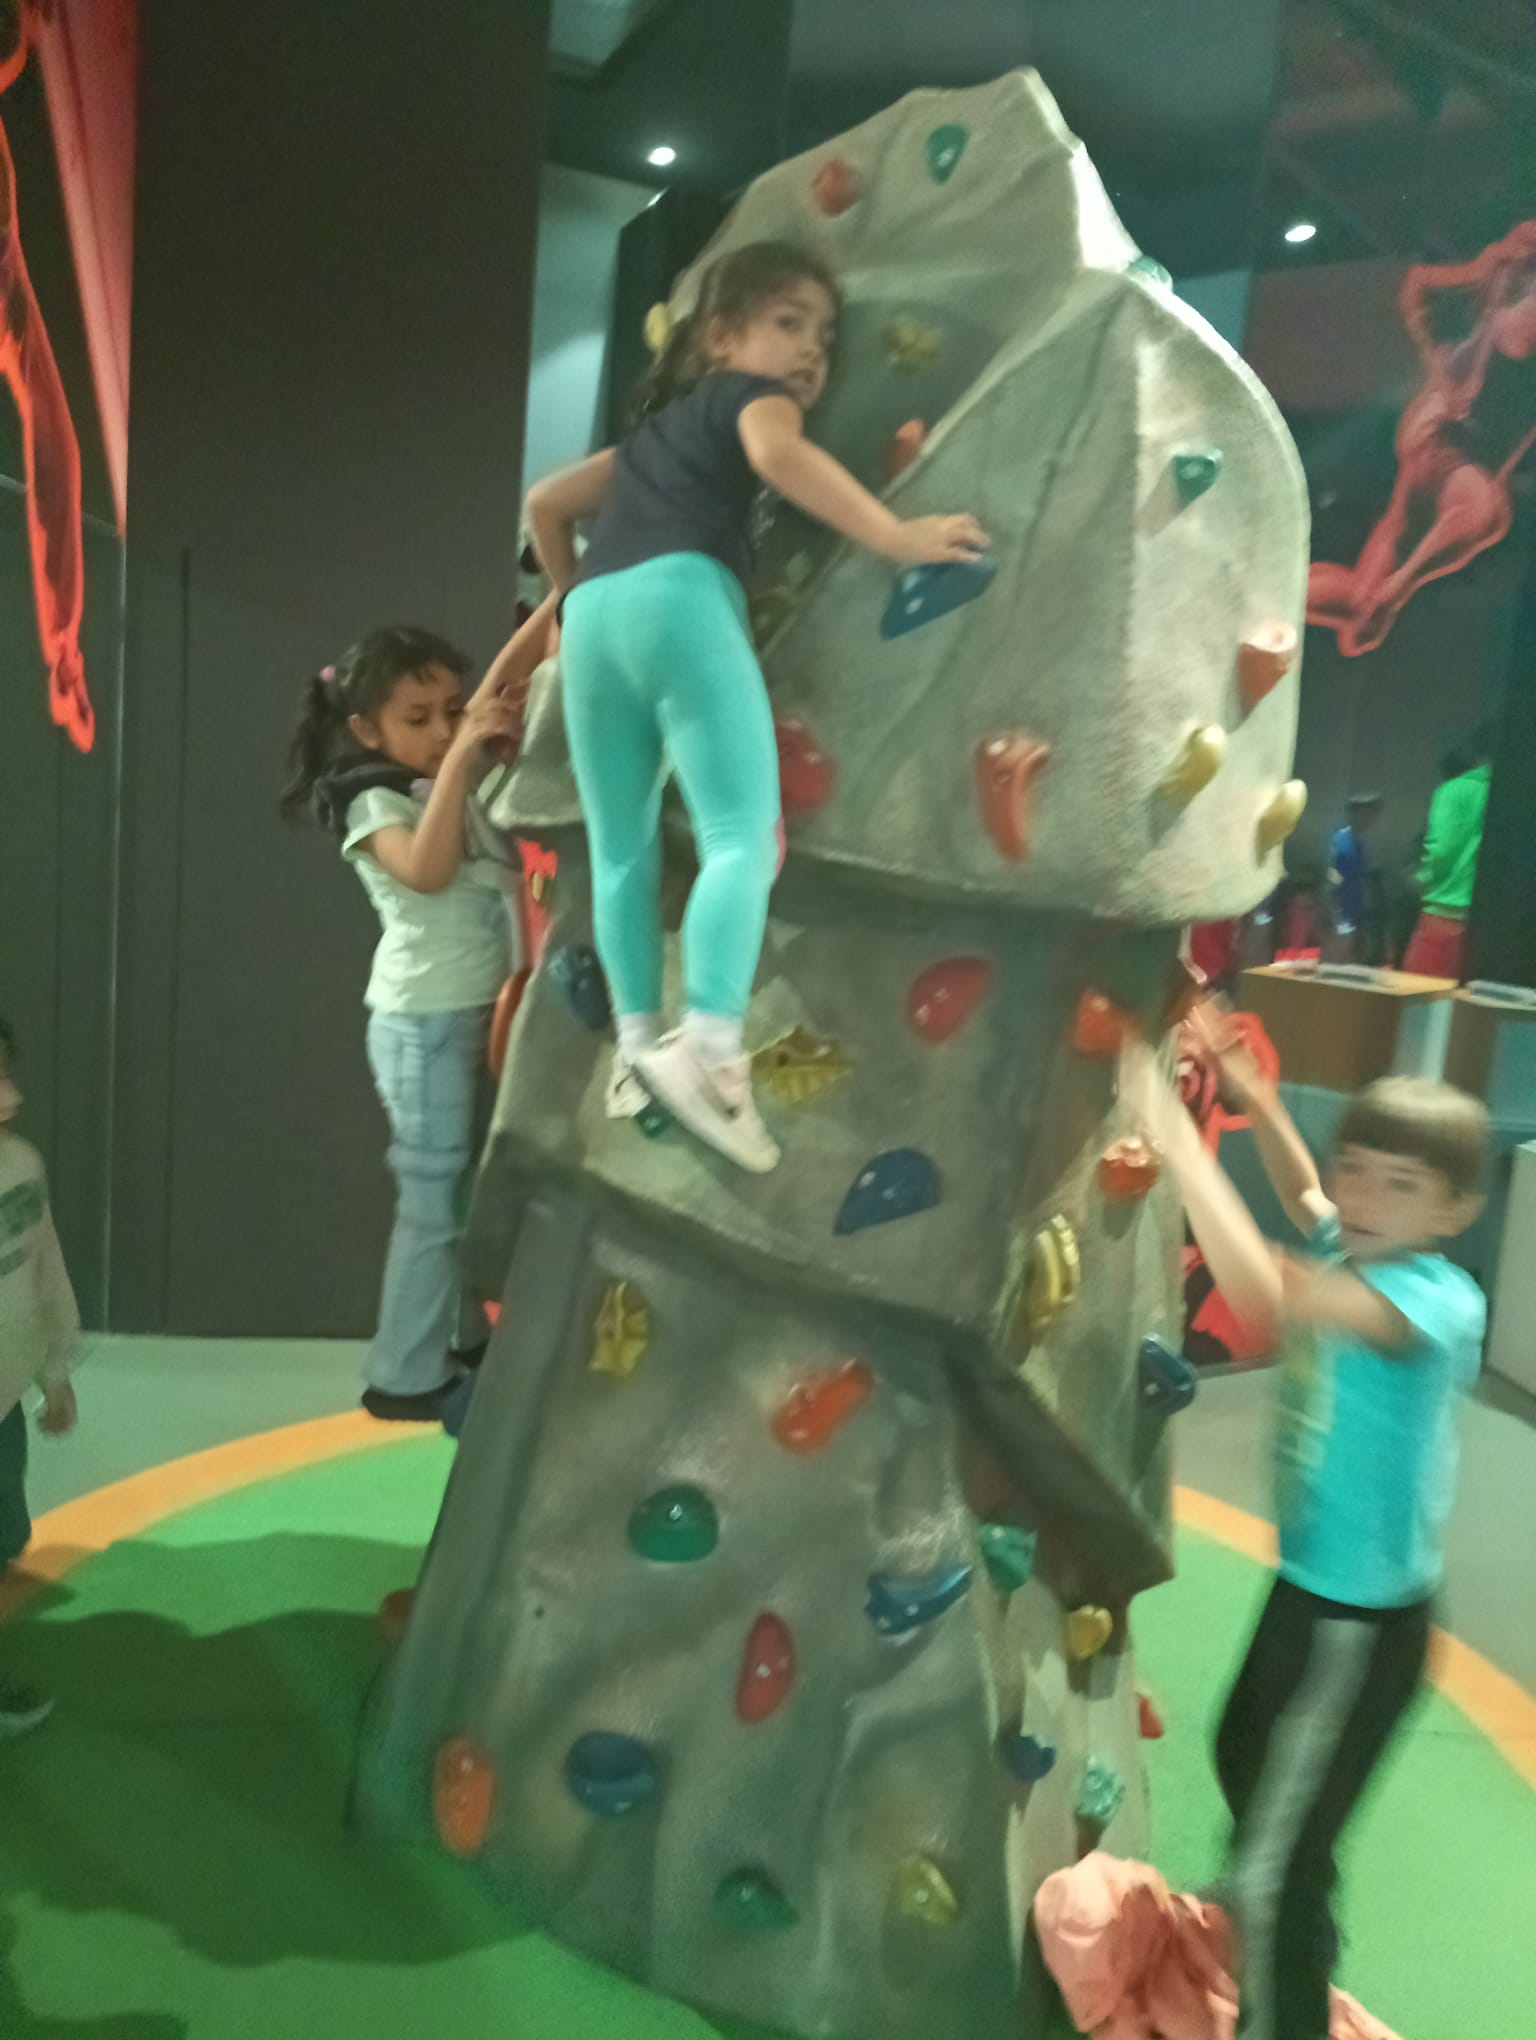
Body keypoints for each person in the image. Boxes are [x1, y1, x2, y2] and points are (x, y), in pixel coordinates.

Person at [525, 239, 989, 1173]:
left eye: (824, 335)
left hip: (599, 622)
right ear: (720, 337)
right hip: (682, 600)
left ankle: (638, 1049)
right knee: (743, 837)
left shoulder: (649, 443)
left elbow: (544, 502)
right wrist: (896, 535)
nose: (811, 350)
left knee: (621, 850)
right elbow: (780, 457)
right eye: (788, 322)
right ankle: (709, 1048)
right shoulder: (750, 398)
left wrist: (573, 600)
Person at [1123, 1005, 1487, 2040]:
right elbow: (1307, 1197)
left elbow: (1264, 1290)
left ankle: (1283, 1985)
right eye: (1357, 1170)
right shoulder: (1364, 1246)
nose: (1363, 1199)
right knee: (1242, 1751)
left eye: (1400, 1185)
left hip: (1358, 1629)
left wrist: (1169, 1122)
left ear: (1456, 1211)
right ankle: (1287, 1908)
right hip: (1308, 1590)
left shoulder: (1434, 1302)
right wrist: (1258, 1101)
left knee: (1275, 1862)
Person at [280, 615, 548, 1422]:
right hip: (424, 1024)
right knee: (432, 1204)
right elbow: (427, 873)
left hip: (473, 1012)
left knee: (463, 1193)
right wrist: (463, 756)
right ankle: (403, 1375)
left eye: (450, 711)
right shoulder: (370, 800)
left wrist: (564, 594)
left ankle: (460, 1339)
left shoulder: (437, 773)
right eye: (417, 718)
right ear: (367, 728)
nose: (440, 731)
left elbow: (504, 678)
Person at [0, 1013, 81, 1736]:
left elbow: (44, 1265)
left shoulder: (21, 1167)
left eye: (7, 1074)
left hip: (4, 1408)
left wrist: (55, 1370)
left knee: (4, 1538)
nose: (11, 1096)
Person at [1402, 729, 1492, 981]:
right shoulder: (1514, 796)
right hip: (1492, 926)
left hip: (1444, 916)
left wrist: (1422, 880)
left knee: (1422, 995)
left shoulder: (1454, 790)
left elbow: (1442, 850)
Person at [1325, 792, 1381, 962]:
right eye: (1365, 813)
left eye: (1372, 814)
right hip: (1338, 917)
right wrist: (1332, 913)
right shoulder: (1339, 840)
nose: (1369, 819)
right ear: (1353, 814)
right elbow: (1330, 877)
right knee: (1336, 963)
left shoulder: (1361, 844)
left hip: (1354, 916)